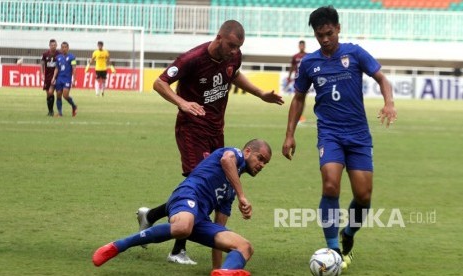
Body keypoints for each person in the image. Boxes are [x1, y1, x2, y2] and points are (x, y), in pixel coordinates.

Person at [137, 19, 284, 266]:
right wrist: (182, 103)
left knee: (213, 184)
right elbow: (159, 82)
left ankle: (150, 215)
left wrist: (260, 94)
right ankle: (177, 249)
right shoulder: (192, 59)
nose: (235, 51)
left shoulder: (233, 58)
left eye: (239, 47)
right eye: (232, 46)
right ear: (219, 38)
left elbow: (234, 75)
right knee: (201, 183)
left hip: (216, 131)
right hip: (191, 129)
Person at [281, 6, 397, 268]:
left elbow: (381, 78)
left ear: (338, 29)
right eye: (319, 34)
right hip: (330, 133)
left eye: (329, 33)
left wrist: (389, 102)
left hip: (358, 134)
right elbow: (298, 98)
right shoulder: (309, 62)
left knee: (364, 196)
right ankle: (333, 250)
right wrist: (289, 135)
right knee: (331, 185)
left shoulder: (354, 53)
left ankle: (348, 234)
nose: (324, 39)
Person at [93, 139, 272, 276]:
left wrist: (216, 268)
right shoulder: (234, 154)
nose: (262, 165)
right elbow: (227, 160)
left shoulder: (230, 192)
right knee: (183, 227)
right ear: (247, 151)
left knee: (245, 247)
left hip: (200, 219)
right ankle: (119, 245)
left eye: (266, 163)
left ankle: (225, 272)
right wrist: (242, 196)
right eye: (260, 158)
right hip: (186, 195)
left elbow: (219, 229)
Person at [51, 41, 78, 117]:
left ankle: (74, 106)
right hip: (59, 78)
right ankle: (60, 113)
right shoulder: (58, 57)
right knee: (58, 95)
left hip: (67, 79)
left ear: (68, 48)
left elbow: (74, 69)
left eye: (65, 47)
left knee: (65, 96)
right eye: (62, 47)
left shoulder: (72, 57)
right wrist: (53, 77)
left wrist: (74, 79)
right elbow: (56, 68)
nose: (64, 49)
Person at [286, 40, 308, 124]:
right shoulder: (295, 56)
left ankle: (299, 116)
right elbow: (292, 66)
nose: (301, 47)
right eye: (300, 45)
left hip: (306, 79)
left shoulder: (307, 55)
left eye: (303, 45)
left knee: (302, 98)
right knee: (298, 98)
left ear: (304, 46)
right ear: (299, 46)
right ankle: (298, 117)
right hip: (297, 79)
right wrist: (289, 77)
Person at [40, 39, 61, 116]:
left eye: (54, 45)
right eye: (52, 45)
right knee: (48, 94)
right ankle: (50, 111)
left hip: (56, 77)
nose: (53, 46)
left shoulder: (59, 54)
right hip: (47, 77)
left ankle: (55, 111)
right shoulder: (45, 54)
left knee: (51, 92)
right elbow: (42, 64)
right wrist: (42, 74)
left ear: (56, 45)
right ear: (49, 46)